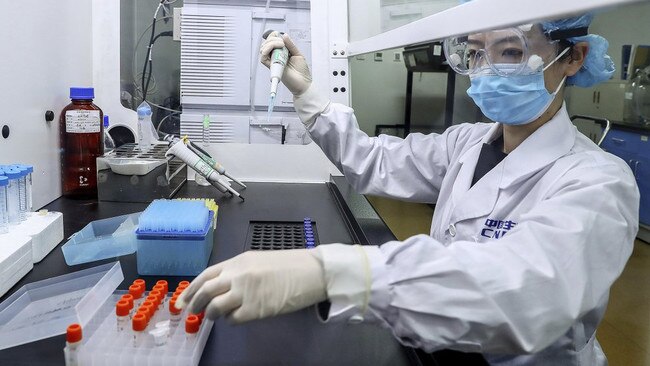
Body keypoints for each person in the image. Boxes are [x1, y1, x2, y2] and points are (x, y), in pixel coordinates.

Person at [176, 12, 640, 365]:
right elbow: (377, 159)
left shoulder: (599, 180)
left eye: (512, 52)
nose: (488, 70)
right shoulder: (468, 142)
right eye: (476, 53)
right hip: (435, 347)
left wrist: (333, 274)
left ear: (573, 57)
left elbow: (528, 288)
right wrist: (309, 95)